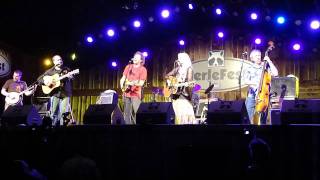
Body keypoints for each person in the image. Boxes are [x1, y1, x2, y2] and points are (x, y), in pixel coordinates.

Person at [243, 49, 279, 125]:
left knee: (262, 120)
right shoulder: (249, 68)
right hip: (252, 96)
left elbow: (275, 73)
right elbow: (246, 81)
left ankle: (261, 133)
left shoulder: (266, 65)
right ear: (252, 58)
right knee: (247, 118)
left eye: (259, 55)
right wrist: (255, 84)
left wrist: (269, 61)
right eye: (256, 56)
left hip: (263, 96)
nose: (259, 57)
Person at [39, 55, 74, 126]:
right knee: (53, 113)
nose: (60, 61)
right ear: (54, 62)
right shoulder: (50, 71)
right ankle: (53, 128)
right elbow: (39, 79)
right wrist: (45, 82)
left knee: (64, 113)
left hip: (65, 93)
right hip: (55, 94)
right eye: (58, 60)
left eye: (61, 59)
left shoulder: (66, 69)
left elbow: (72, 78)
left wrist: (71, 77)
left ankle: (62, 129)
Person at [165, 52, 196, 124]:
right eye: (178, 58)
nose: (178, 60)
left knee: (186, 112)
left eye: (179, 58)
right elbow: (166, 76)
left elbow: (189, 82)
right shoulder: (177, 68)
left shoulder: (189, 69)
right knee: (178, 113)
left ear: (184, 59)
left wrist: (185, 84)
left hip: (184, 95)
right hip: (176, 94)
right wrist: (172, 81)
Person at [120, 51, 147, 124]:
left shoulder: (143, 69)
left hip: (136, 94)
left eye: (137, 57)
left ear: (141, 60)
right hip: (126, 93)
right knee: (126, 113)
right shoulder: (128, 67)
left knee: (137, 112)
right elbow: (123, 78)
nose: (135, 58)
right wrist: (122, 86)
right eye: (134, 57)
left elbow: (141, 83)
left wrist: (132, 83)